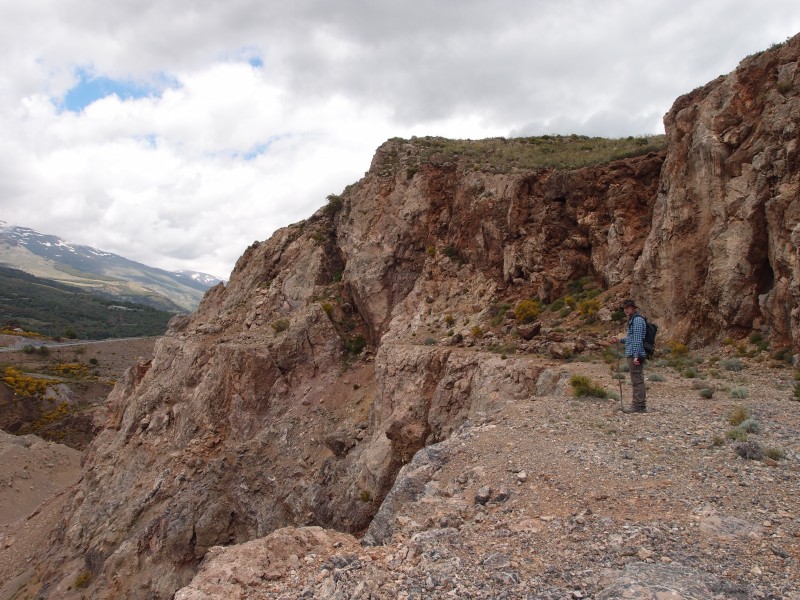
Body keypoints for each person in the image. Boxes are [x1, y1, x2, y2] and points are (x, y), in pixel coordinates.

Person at [615, 299, 647, 413]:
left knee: (637, 380)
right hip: (632, 353)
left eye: (628, 308)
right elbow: (631, 338)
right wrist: (620, 340)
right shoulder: (632, 320)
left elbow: (638, 340)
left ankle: (638, 405)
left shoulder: (637, 321)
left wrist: (636, 356)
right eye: (625, 308)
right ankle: (639, 404)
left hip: (635, 354)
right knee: (636, 379)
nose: (626, 310)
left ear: (633, 308)